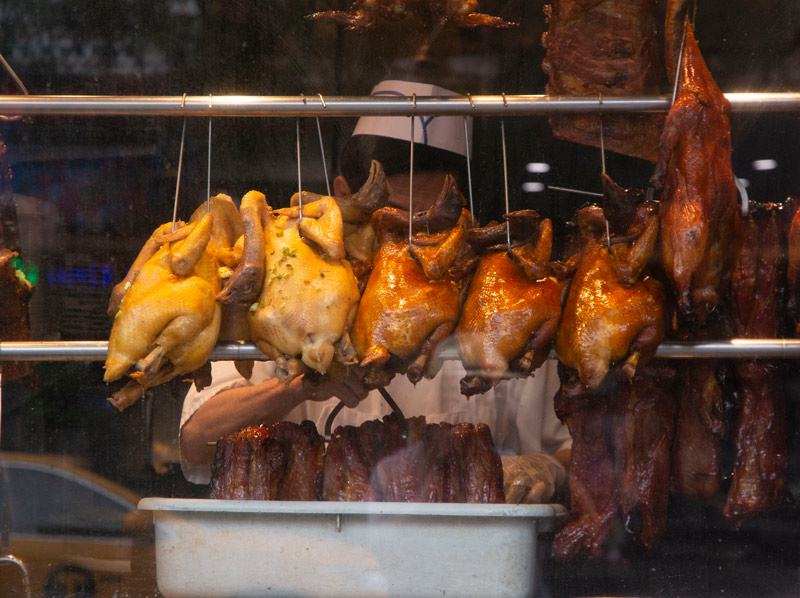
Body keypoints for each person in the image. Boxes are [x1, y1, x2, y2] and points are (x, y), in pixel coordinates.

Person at [179, 80, 571, 503]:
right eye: (396, 216)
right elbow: (197, 445)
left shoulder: (494, 294)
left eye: (432, 221)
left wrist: (542, 468)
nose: (412, 238)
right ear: (346, 196)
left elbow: (562, 447)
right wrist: (298, 388)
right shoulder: (288, 285)